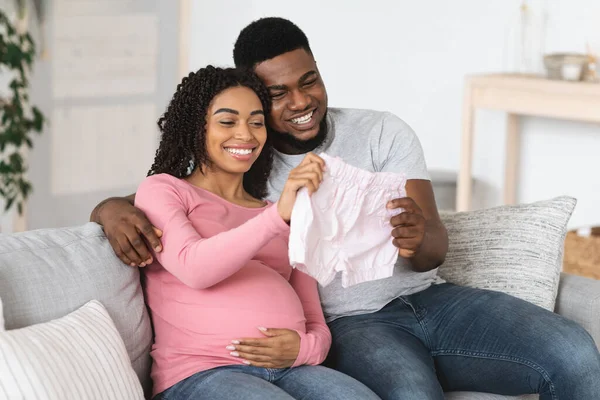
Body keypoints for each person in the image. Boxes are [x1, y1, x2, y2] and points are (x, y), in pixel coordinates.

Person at [92, 18, 600, 400]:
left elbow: (432, 253)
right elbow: (176, 200)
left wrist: (419, 237)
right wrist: (109, 208)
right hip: (351, 325)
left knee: (576, 354)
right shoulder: (249, 167)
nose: (299, 101)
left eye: (308, 80)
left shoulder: (380, 132)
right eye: (276, 94)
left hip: (428, 297)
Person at [134, 66, 380, 400]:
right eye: (227, 121)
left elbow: (314, 320)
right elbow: (194, 268)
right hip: (201, 373)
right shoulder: (164, 190)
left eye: (256, 121)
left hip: (292, 369)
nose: (246, 135)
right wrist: (278, 216)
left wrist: (305, 349)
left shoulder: (277, 213)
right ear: (197, 126)